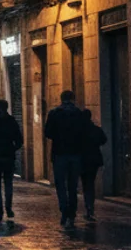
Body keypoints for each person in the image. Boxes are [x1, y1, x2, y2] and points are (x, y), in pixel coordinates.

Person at [44, 90, 88, 229]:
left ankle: (64, 210)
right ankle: (72, 214)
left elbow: (48, 133)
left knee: (60, 185)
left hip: (59, 154)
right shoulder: (79, 114)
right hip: (75, 154)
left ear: (61, 99)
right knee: (73, 185)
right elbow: (84, 133)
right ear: (73, 99)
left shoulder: (54, 113)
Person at [80, 108, 107, 222]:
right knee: (90, 183)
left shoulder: (79, 131)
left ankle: (88, 206)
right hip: (94, 159)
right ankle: (90, 207)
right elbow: (103, 140)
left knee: (85, 183)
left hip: (82, 160)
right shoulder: (96, 129)